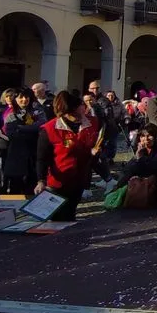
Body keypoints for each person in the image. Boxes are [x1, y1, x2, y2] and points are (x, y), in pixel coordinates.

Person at [35, 91, 100, 221]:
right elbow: (42, 157)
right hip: (58, 182)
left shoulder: (92, 123)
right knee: (57, 218)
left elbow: (96, 143)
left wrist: (96, 152)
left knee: (70, 215)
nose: (84, 107)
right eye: (81, 105)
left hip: (80, 178)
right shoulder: (50, 128)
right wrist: (41, 180)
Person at [116, 124, 157, 208]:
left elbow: (151, 167)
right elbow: (130, 167)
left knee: (133, 168)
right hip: (149, 178)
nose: (146, 139)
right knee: (130, 169)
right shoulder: (143, 149)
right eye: (143, 136)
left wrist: (140, 158)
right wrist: (137, 157)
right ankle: (118, 189)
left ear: (156, 136)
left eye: (149, 136)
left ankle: (117, 189)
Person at [2, 87, 47, 194]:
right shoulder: (11, 114)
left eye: (26, 97)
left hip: (34, 154)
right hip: (17, 156)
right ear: (15, 99)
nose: (24, 99)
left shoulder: (38, 111)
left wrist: (21, 128)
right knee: (15, 188)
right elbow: (11, 133)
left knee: (32, 187)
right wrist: (31, 129)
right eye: (20, 97)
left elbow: (42, 125)